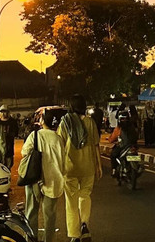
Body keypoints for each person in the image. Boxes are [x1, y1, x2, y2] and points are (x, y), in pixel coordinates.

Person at [57, 94, 101, 242]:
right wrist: (99, 166)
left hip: (69, 169)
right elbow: (96, 146)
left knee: (71, 201)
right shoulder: (90, 122)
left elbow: (60, 146)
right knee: (85, 196)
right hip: (88, 167)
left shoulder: (65, 123)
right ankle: (84, 224)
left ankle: (75, 234)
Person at [20, 109, 65, 242]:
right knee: (50, 214)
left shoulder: (35, 135)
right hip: (53, 180)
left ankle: (31, 238)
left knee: (31, 211)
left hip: (34, 178)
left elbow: (24, 152)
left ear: (43, 121)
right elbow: (62, 161)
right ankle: (48, 239)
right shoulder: (58, 139)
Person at [108, 111, 138, 177]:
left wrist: (111, 140)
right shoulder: (132, 127)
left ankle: (114, 170)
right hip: (133, 146)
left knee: (113, 155)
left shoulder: (119, 128)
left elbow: (112, 139)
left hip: (123, 147)